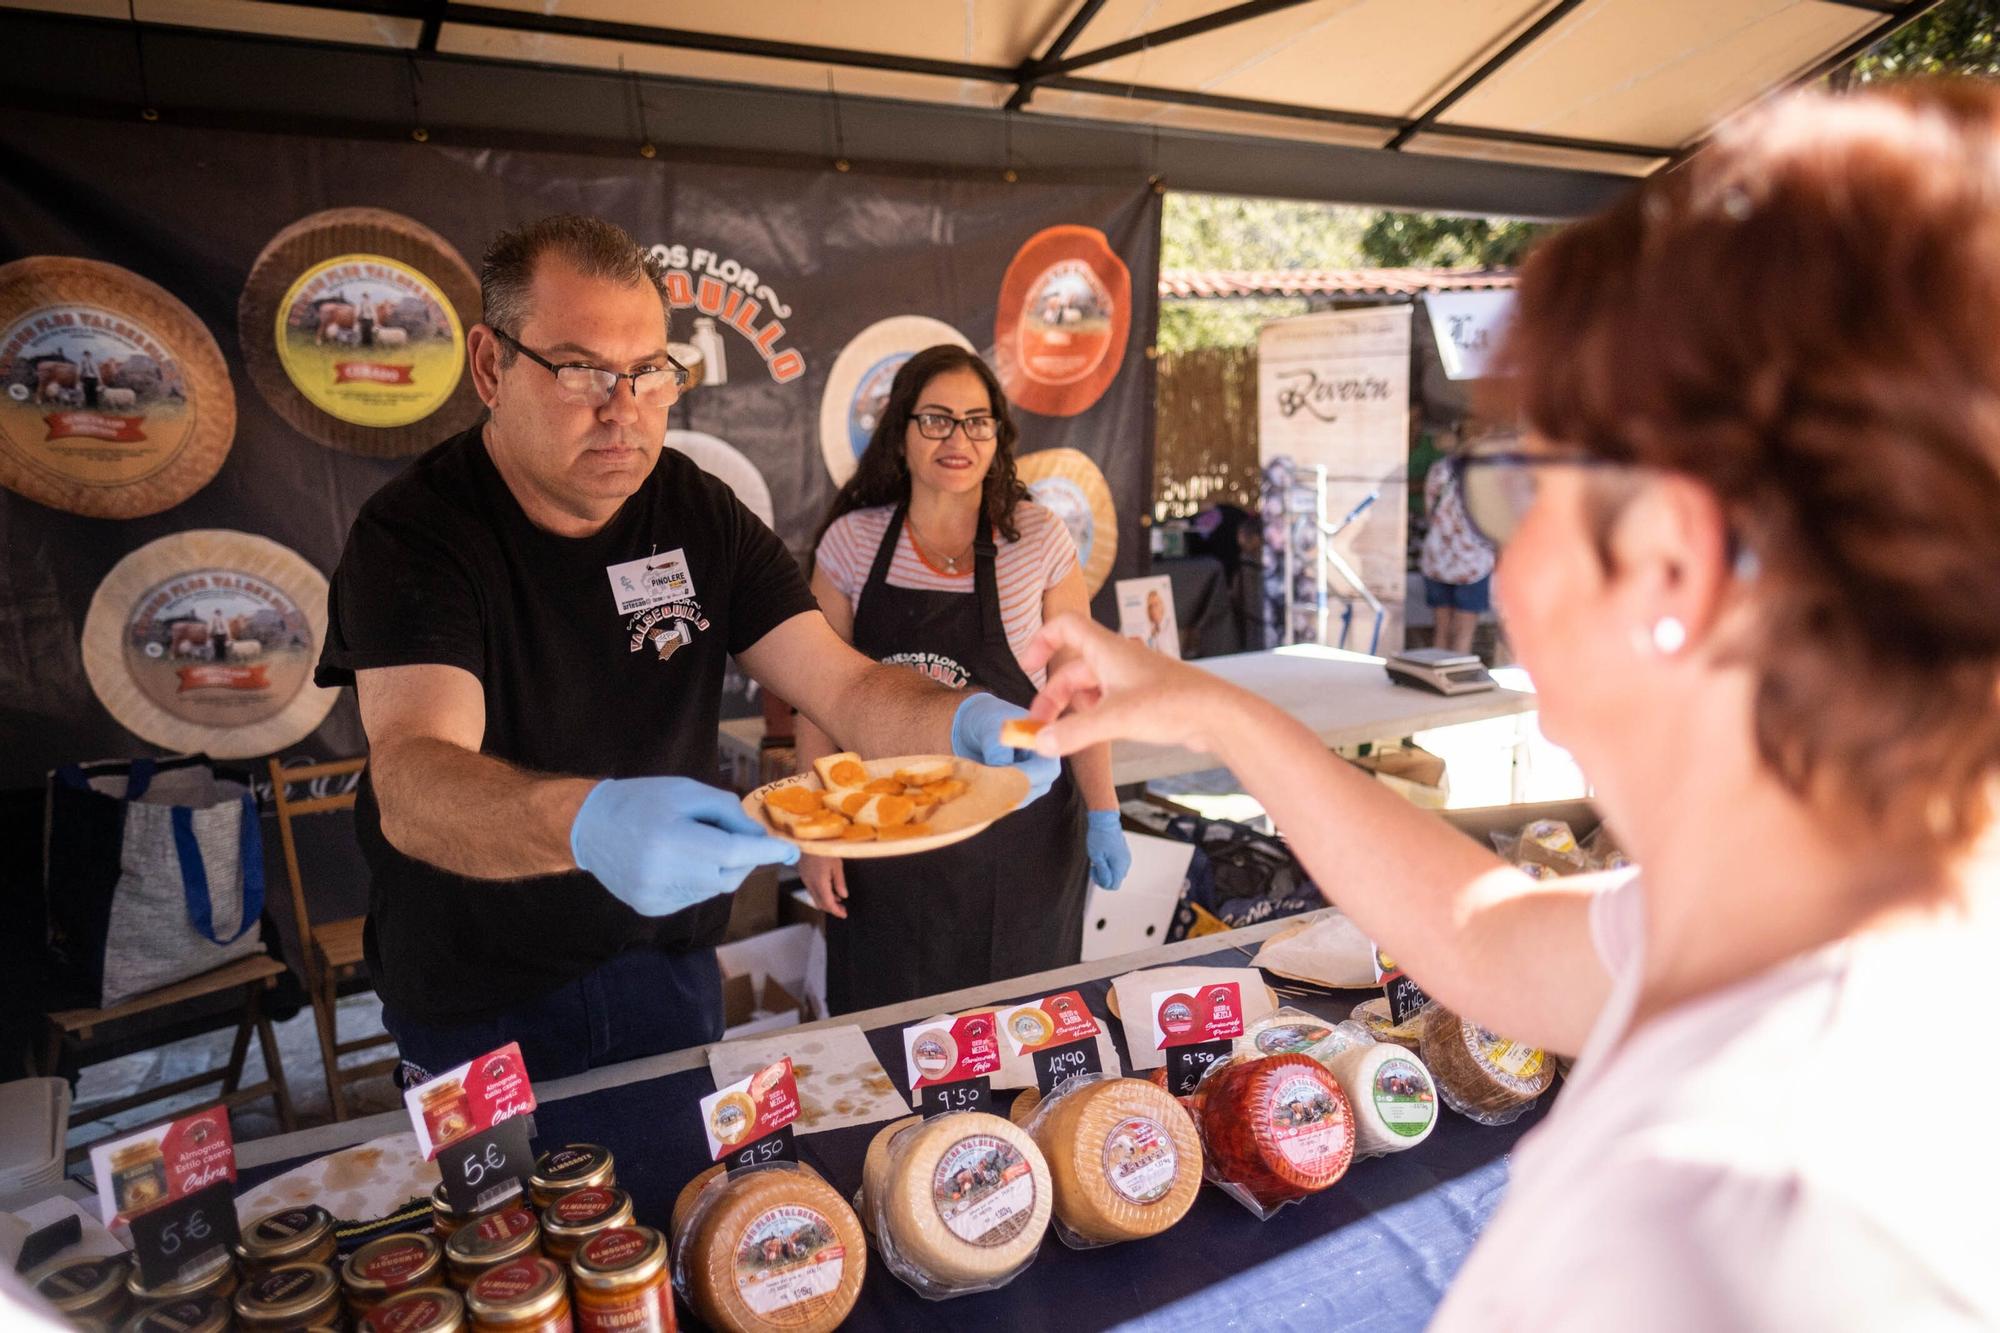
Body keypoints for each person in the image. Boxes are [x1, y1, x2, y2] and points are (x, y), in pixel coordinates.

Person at [1019, 84, 1999, 1329]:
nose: (1492, 563)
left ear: (1666, 566)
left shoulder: (1714, 1219)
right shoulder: (1831, 916)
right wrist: (1211, 713)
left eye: (1510, 486)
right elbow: (1486, 934)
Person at [314, 216, 1056, 1083]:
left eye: (650, 374)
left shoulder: (695, 510)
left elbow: (844, 685)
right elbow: (412, 776)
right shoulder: (417, 532)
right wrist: (586, 825)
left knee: (686, 1210)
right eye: (582, 369)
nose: (621, 411)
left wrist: (959, 720)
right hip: (478, 997)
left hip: (664, 971)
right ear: (490, 365)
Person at [798, 344, 1129, 1012]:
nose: (959, 438)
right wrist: (816, 831)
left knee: (1015, 1039)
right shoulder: (852, 544)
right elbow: (816, 701)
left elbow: (1077, 692)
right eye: (938, 419)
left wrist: (1104, 811)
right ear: (902, 433)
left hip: (1019, 848)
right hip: (885, 839)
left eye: (977, 421)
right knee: (889, 1038)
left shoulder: (1037, 539)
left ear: (997, 437)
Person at [1419, 423, 1495, 656]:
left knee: (1441, 630)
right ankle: (1455, 684)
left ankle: (1435, 681)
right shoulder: (1487, 474)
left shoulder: (1439, 469)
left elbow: (1428, 510)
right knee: (1463, 634)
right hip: (1472, 561)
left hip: (1437, 557)